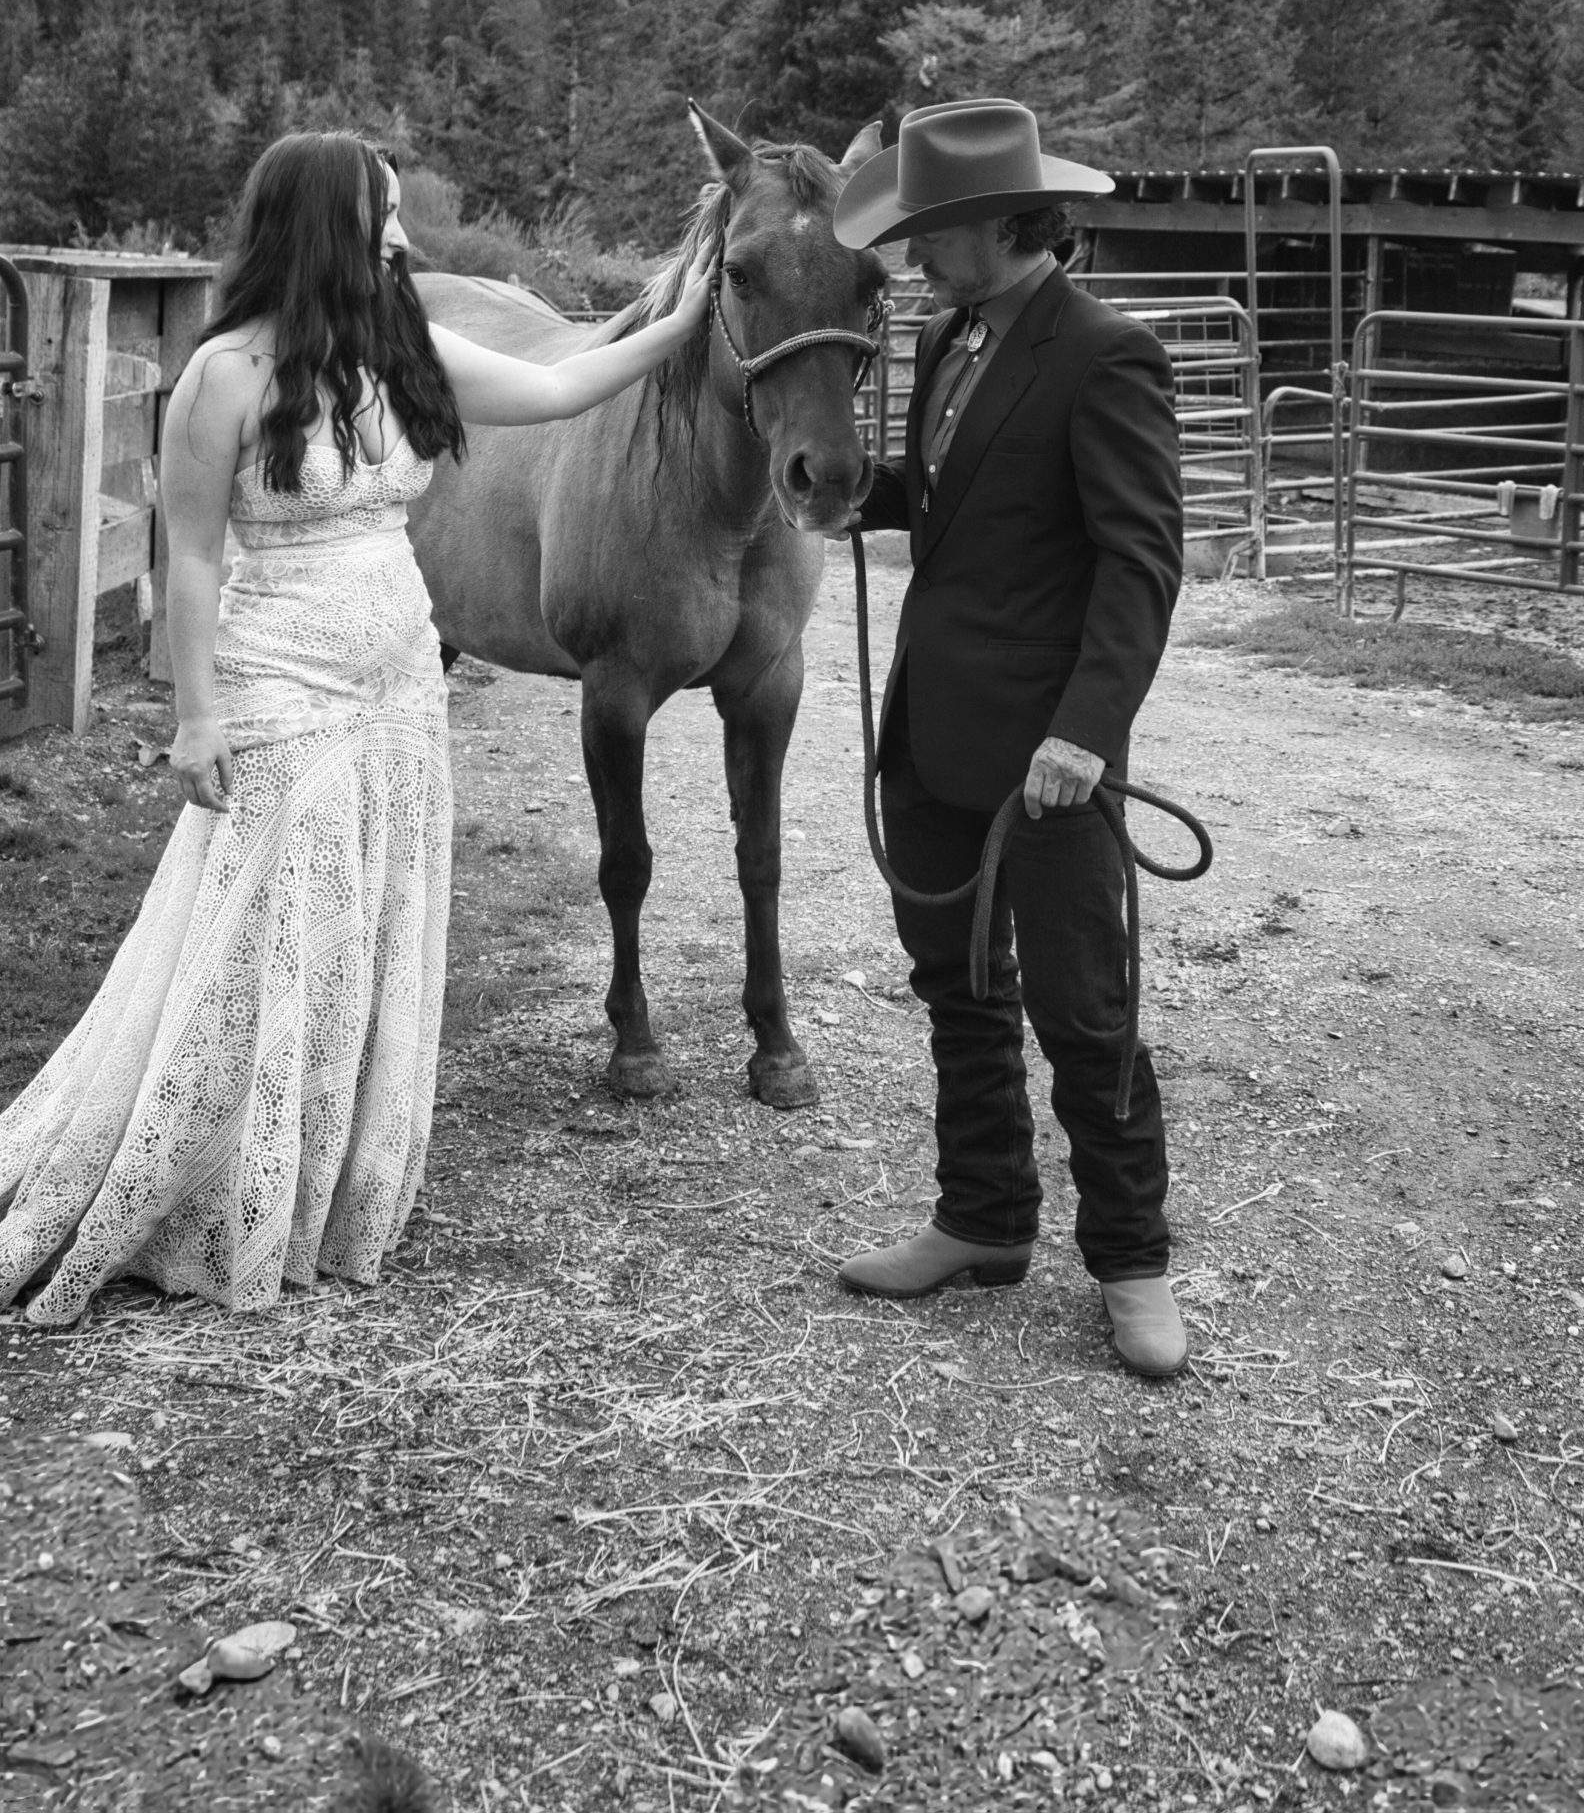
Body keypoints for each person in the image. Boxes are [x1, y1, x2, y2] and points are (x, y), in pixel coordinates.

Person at [0, 132, 712, 1326]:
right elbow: (189, 558)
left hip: (398, 688)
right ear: (325, 224)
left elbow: (557, 386)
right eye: (383, 217)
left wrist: (684, 323)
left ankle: (314, 1179)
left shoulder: (402, 351)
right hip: (281, 680)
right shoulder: (223, 374)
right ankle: (213, 1173)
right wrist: (192, 717)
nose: (404, 238)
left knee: (366, 926)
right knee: (270, 929)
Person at [831, 97, 1188, 1378]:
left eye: (931, 232)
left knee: (1086, 1011)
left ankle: (1132, 1260)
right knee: (959, 992)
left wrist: (1088, 732)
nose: (915, 258)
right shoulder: (949, 336)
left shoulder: (1106, 354)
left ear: (994, 223)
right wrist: (851, 495)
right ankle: (982, 1221)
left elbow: (1140, 565)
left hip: (1049, 760)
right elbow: (952, 505)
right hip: (931, 731)